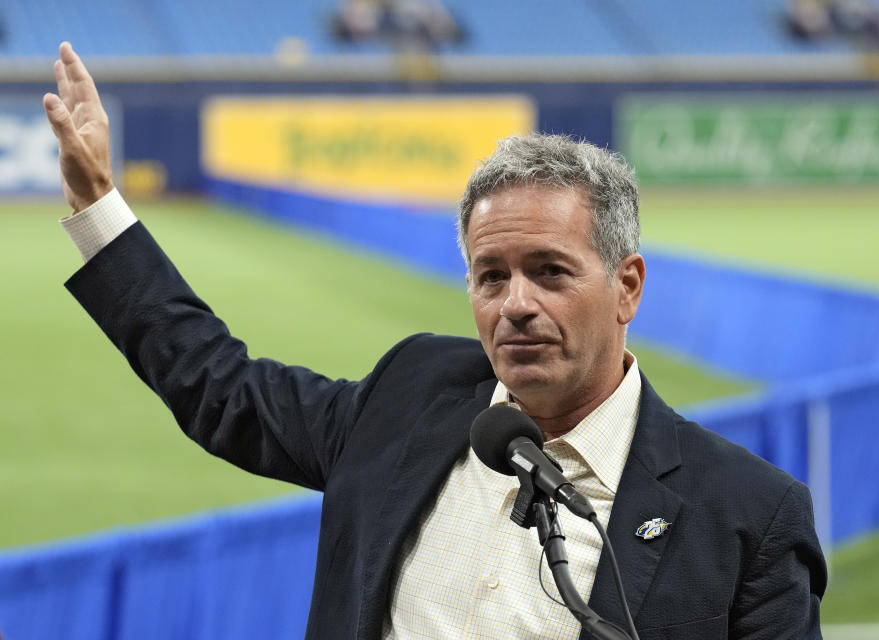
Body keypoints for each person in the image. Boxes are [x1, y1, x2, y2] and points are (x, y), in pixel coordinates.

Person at [44, 42, 826, 639]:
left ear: (627, 286)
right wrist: (100, 211)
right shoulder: (409, 394)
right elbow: (222, 386)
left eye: (550, 272)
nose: (515, 305)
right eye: (491, 277)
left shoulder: (748, 516)